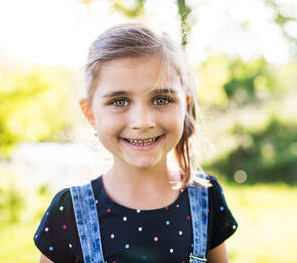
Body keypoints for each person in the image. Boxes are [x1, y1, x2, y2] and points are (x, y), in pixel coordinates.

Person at [34, 23, 238, 263]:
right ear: (90, 113)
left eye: (161, 99)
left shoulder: (206, 198)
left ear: (184, 104)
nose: (142, 122)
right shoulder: (68, 212)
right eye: (120, 101)